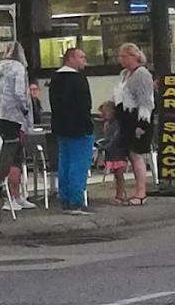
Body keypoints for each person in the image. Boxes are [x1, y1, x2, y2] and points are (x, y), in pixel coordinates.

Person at [48, 47, 95, 215]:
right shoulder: (79, 79)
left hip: (61, 126)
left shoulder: (55, 78)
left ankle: (65, 199)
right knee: (79, 164)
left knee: (65, 163)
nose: (84, 61)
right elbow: (84, 105)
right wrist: (88, 126)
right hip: (79, 127)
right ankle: (76, 201)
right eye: (81, 57)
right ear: (71, 59)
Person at [0, 41, 36, 209]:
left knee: (9, 155)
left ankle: (14, 195)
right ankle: (13, 195)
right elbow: (19, 92)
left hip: (2, 115)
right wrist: (26, 109)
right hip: (16, 117)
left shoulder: (0, 68)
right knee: (16, 157)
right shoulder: (18, 68)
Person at [114, 43, 154, 206]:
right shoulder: (124, 74)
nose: (121, 60)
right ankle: (121, 191)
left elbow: (145, 100)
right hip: (124, 117)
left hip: (138, 118)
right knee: (126, 154)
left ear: (133, 56)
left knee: (136, 155)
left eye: (124, 56)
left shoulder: (142, 74)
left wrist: (141, 124)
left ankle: (141, 191)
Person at [99, 100, 131, 206]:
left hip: (118, 153)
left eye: (104, 112)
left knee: (119, 175)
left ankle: (119, 196)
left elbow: (113, 139)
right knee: (117, 176)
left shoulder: (116, 124)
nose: (102, 115)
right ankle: (120, 194)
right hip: (113, 153)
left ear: (112, 112)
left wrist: (104, 145)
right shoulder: (109, 124)